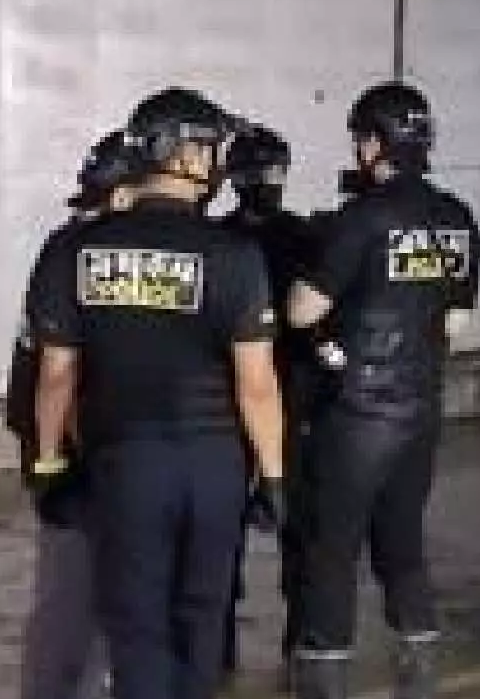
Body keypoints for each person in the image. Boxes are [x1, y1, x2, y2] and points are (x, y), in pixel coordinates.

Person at [26, 88, 288, 699]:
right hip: (216, 468)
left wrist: (48, 462)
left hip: (126, 465)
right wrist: (274, 476)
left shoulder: (75, 250)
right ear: (181, 154)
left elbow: (56, 375)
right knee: (201, 621)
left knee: (138, 625)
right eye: (210, 147)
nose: (218, 161)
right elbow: (256, 384)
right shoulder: (235, 254)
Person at [287, 82, 480, 699]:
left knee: (333, 547)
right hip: (421, 405)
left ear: (374, 144)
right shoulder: (458, 219)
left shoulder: (362, 217)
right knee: (403, 543)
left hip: (356, 409)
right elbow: (456, 322)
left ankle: (325, 676)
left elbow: (303, 310)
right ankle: (419, 668)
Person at [10, 130, 146, 699]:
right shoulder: (92, 259)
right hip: (75, 447)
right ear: (122, 195)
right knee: (76, 595)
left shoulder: (65, 246)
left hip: (59, 441)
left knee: (77, 591)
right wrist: (53, 459)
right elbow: (59, 374)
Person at [217, 125, 323, 673]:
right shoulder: (230, 240)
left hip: (279, 394)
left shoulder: (295, 237)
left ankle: (291, 641)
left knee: (290, 525)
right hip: (254, 394)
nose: (268, 181)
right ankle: (233, 645)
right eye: (261, 171)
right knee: (234, 526)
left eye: (274, 170)